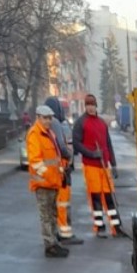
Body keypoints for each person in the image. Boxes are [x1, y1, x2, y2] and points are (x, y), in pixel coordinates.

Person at [71, 94, 121, 237]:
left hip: (104, 165)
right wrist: (92, 153)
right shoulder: (81, 123)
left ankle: (116, 227)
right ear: (85, 106)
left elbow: (108, 144)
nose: (91, 107)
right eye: (88, 105)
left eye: (93, 104)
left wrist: (114, 164)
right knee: (96, 197)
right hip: (91, 165)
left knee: (109, 195)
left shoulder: (102, 123)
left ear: (96, 106)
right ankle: (99, 227)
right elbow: (77, 144)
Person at [26, 105, 68, 258]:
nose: (49, 121)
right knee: (46, 215)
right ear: (38, 118)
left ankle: (54, 242)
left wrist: (61, 173)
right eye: (45, 118)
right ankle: (50, 245)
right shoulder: (34, 134)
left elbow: (55, 158)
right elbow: (35, 162)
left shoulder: (49, 133)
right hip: (43, 184)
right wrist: (49, 176)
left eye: (50, 118)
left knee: (52, 214)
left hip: (53, 182)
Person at [44, 96, 82, 245]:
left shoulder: (45, 124)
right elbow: (61, 145)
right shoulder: (55, 123)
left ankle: (59, 233)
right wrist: (70, 155)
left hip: (54, 172)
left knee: (57, 205)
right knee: (63, 203)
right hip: (62, 171)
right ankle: (65, 234)